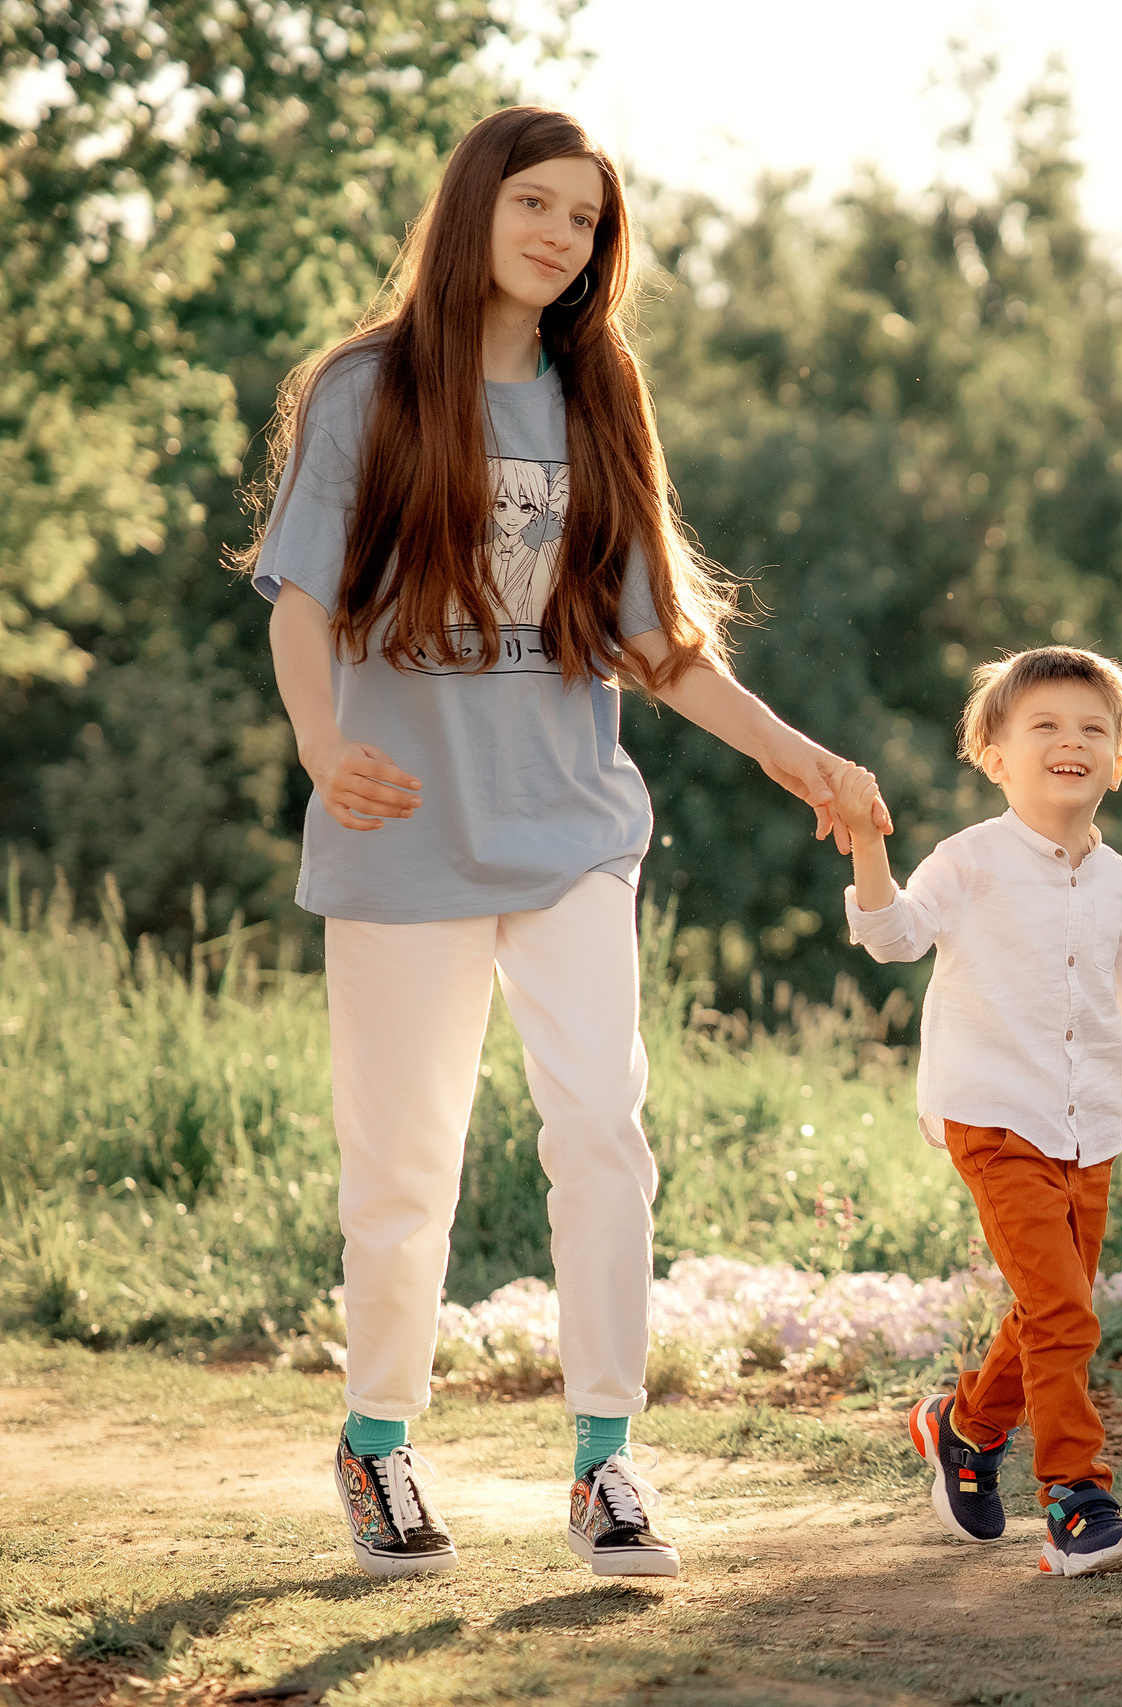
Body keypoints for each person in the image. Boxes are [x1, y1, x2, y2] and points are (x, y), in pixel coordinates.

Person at [245, 105, 881, 1582]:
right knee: (405, 1166)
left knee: (602, 1130)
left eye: (584, 218)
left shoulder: (600, 392)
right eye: (533, 202)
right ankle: (377, 1439)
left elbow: (654, 639)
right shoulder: (365, 387)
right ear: (473, 206)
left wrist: (796, 753)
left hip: (574, 830)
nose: (558, 235)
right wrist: (321, 742)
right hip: (404, 836)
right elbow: (301, 598)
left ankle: (605, 1462)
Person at [841, 646, 1122, 1578]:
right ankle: (1077, 1501)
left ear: (1117, 761)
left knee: (1051, 1308)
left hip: (1090, 1128)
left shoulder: (1120, 882)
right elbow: (894, 934)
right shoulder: (970, 859)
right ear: (995, 756)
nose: (1072, 740)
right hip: (992, 1117)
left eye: (1093, 728)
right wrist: (868, 843)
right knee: (1065, 1309)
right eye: (1045, 725)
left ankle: (966, 1427)